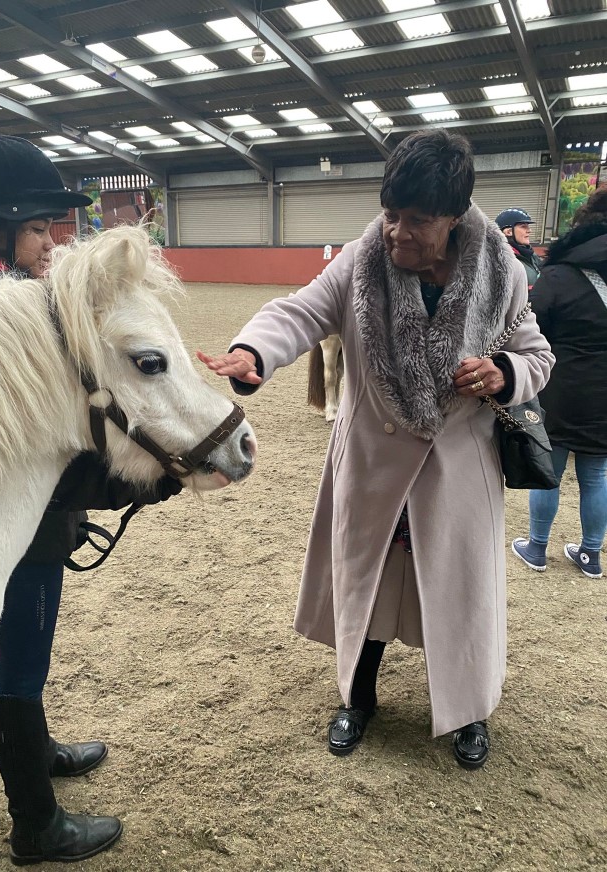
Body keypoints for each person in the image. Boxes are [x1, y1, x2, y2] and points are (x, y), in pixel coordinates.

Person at [197, 129, 553, 770]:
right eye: (390, 215)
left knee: (461, 593)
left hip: (458, 471)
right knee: (366, 583)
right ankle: (357, 699)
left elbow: (537, 356)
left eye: (417, 221)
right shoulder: (362, 260)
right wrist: (255, 351)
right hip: (374, 461)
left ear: (453, 217)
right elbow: (302, 311)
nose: (396, 233)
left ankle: (469, 712)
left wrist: (504, 370)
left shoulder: (504, 273)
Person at [0, 133, 182, 865]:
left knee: (29, 656)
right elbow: (43, 452)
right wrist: (146, 474)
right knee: (19, 660)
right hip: (16, 533)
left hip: (23, 527)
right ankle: (36, 821)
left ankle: (38, 747)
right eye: (38, 228)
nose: (55, 242)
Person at [511, 186, 607, 579]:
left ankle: (536, 547)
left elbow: (535, 332)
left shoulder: (557, 274)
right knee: (597, 475)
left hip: (562, 390)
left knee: (548, 469)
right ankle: (591, 554)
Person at [495, 207, 542, 290]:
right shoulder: (502, 262)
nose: (529, 230)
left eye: (528, 226)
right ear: (508, 232)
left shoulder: (531, 255)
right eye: (523, 226)